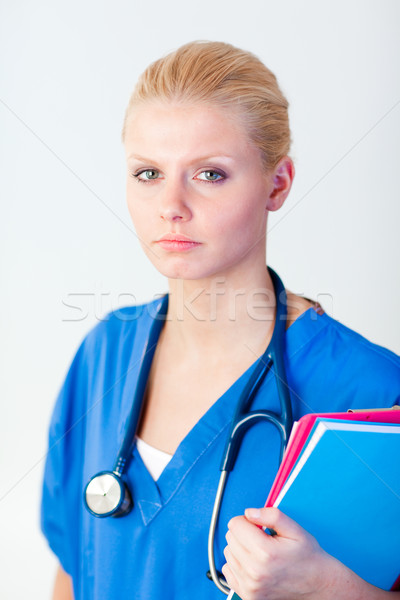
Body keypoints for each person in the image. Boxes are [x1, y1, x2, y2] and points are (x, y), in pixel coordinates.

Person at [41, 40, 400, 600]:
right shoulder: (103, 354)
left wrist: (331, 587)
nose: (171, 205)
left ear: (277, 184)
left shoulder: (370, 390)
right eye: (147, 173)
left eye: (209, 174)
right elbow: (72, 573)